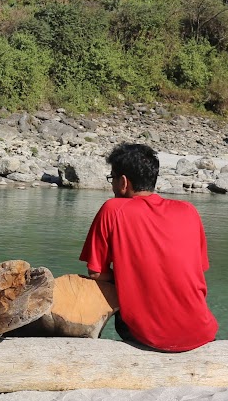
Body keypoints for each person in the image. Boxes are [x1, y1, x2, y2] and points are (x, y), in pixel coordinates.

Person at [80, 142, 218, 352]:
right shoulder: (188, 211)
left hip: (148, 337)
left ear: (123, 181)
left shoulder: (113, 209)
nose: (112, 186)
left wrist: (130, 276)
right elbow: (196, 271)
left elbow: (96, 273)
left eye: (112, 179)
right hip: (202, 331)